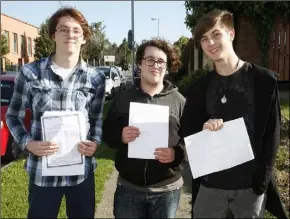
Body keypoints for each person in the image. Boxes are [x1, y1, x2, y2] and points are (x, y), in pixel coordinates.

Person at [179, 9, 287, 219]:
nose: (210, 42)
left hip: (249, 190)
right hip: (210, 188)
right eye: (204, 38)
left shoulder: (263, 81)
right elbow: (186, 131)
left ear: (231, 33)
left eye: (216, 34)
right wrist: (203, 129)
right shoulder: (199, 88)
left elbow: (273, 134)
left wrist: (260, 185)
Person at [6, 7, 106, 218]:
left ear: (84, 38)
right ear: (53, 35)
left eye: (76, 31)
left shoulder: (96, 78)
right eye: (63, 29)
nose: (70, 35)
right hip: (43, 174)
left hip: (81, 173)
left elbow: (96, 119)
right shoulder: (30, 73)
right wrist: (27, 143)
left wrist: (95, 142)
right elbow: (12, 115)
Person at [102, 39, 185, 218]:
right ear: (140, 63)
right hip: (129, 189)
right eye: (150, 60)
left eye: (161, 61)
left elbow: (191, 140)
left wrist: (176, 153)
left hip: (167, 191)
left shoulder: (179, 101)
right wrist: (120, 136)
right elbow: (107, 134)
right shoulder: (123, 99)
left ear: (167, 66)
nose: (155, 65)